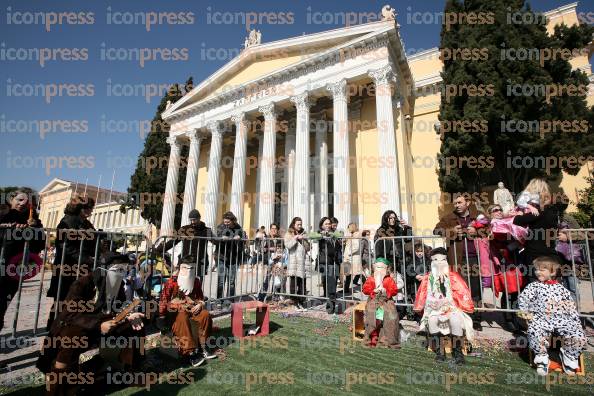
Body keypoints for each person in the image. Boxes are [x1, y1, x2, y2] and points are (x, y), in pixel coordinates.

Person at [37, 255, 146, 395]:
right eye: (118, 269)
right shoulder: (82, 283)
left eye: (124, 270)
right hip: (76, 327)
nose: (121, 274)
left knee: (134, 327)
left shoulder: (116, 284)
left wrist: (129, 315)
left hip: (105, 325)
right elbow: (70, 315)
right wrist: (99, 325)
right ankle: (58, 389)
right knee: (71, 339)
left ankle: (130, 371)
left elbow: (119, 307)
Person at [517, 256, 586, 376]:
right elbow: (523, 299)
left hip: (562, 320)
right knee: (534, 331)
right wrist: (525, 312)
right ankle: (542, 358)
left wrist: (576, 321)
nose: (538, 272)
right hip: (541, 319)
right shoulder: (534, 286)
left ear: (552, 272)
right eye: (537, 269)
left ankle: (569, 356)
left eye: (543, 269)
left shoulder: (562, 289)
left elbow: (570, 307)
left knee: (578, 334)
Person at [414, 247, 474, 365]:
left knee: (455, 320)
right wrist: (430, 306)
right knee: (432, 321)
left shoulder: (453, 277)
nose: (439, 263)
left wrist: (450, 304)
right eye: (436, 260)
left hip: (451, 309)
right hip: (433, 310)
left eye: (442, 260)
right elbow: (422, 298)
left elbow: (462, 294)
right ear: (431, 262)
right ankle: (440, 352)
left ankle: (458, 353)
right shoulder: (427, 279)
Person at [433, 194, 483, 330]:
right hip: (457, 259)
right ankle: (462, 315)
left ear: (467, 202)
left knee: (476, 288)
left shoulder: (477, 215)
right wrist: (452, 231)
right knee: (460, 289)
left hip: (475, 258)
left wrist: (477, 230)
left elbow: (489, 229)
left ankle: (476, 318)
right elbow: (436, 230)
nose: (457, 205)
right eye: (455, 203)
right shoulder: (449, 217)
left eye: (459, 202)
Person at [46, 194, 97, 330]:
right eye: (89, 208)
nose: (91, 211)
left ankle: (71, 329)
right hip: (67, 267)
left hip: (82, 268)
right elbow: (66, 247)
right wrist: (86, 259)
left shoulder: (86, 223)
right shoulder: (67, 222)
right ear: (81, 208)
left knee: (78, 300)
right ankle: (53, 330)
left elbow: (94, 241)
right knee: (61, 300)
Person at [0, 190, 45, 333]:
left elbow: (39, 246)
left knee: (2, 307)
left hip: (13, 271)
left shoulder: (32, 220)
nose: (22, 204)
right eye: (19, 200)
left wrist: (35, 228)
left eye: (26, 203)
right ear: (11, 199)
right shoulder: (3, 215)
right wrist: (10, 230)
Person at [159, 255, 216, 367]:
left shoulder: (196, 281)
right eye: (185, 268)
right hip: (175, 313)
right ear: (180, 268)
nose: (189, 271)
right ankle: (189, 352)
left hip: (191, 309)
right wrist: (162, 317)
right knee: (182, 316)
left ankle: (202, 346)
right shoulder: (171, 282)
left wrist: (200, 304)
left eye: (192, 268)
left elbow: (200, 297)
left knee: (205, 315)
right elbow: (163, 301)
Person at [512, 179, 559, 283]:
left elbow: (517, 220)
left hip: (535, 253)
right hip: (550, 252)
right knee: (551, 282)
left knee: (536, 281)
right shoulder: (553, 213)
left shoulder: (537, 213)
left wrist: (520, 215)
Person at [362, 258, 400, 349]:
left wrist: (386, 291)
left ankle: (385, 339)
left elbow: (394, 290)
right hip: (373, 301)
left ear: (387, 269)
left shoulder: (389, 280)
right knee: (373, 318)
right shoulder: (371, 279)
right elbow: (365, 289)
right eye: (377, 267)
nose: (379, 270)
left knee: (390, 318)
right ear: (374, 268)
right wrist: (373, 291)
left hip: (387, 302)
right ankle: (373, 337)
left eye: (382, 268)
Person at [161, 209, 213, 276]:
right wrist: (160, 249)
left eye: (194, 219)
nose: (192, 222)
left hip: (201, 261)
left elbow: (215, 241)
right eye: (191, 220)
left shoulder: (207, 230)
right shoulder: (184, 229)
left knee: (198, 283)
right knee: (184, 283)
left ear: (199, 218)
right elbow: (173, 241)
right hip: (185, 260)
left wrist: (224, 240)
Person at [311, 217, 342, 314]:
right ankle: (330, 305)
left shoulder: (335, 233)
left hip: (335, 261)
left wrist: (331, 234)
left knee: (332, 284)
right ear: (322, 225)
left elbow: (340, 235)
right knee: (327, 284)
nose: (328, 225)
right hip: (325, 262)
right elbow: (311, 236)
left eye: (329, 223)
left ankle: (330, 303)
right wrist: (321, 234)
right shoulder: (319, 233)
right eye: (326, 224)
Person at [214, 211, 246, 300]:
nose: (226, 224)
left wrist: (238, 237)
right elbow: (220, 234)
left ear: (233, 221)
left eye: (228, 222)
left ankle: (230, 300)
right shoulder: (221, 226)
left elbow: (241, 234)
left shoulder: (238, 227)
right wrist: (222, 238)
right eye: (225, 222)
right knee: (221, 280)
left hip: (234, 257)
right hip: (221, 257)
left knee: (231, 281)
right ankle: (219, 300)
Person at [284, 217, 310, 310]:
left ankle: (301, 302)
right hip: (294, 262)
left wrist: (303, 239)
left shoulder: (304, 233)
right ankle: (294, 302)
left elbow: (308, 248)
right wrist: (295, 238)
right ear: (293, 224)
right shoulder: (289, 233)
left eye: (300, 224)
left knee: (302, 284)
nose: (300, 226)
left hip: (303, 262)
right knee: (293, 284)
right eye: (298, 224)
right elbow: (288, 245)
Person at [556, 223, 583, 303]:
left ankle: (575, 311)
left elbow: (581, 235)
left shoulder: (572, 228)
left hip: (573, 267)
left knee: (572, 289)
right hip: (563, 267)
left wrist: (567, 237)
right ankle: (568, 310)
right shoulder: (557, 231)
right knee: (565, 290)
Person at [343, 222, 364, 294]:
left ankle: (367, 286)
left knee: (358, 272)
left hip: (352, 257)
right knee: (348, 273)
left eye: (349, 227)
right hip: (349, 257)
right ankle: (346, 289)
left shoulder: (356, 235)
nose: (348, 229)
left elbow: (356, 247)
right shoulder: (351, 235)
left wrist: (349, 253)